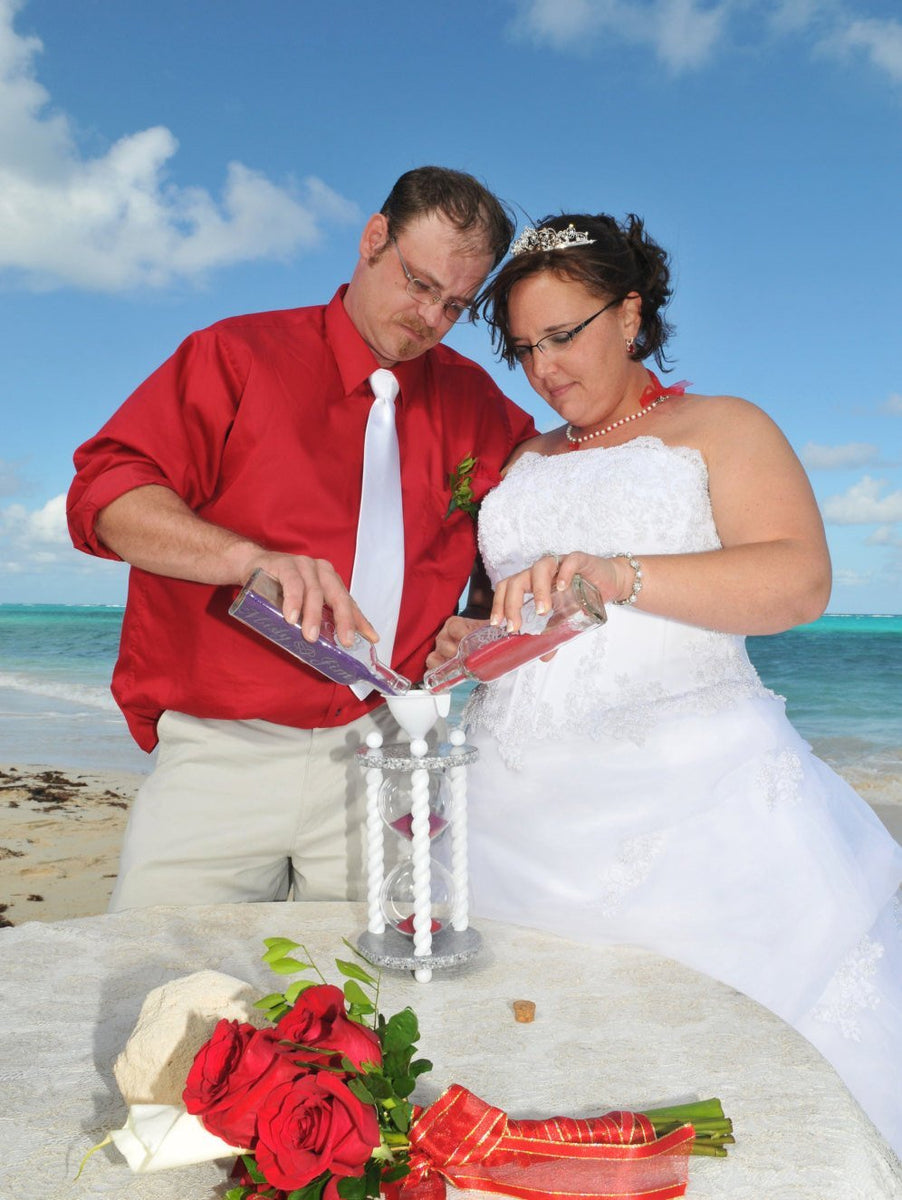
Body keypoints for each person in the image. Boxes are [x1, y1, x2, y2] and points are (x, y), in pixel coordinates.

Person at [429, 213, 902, 1154]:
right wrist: (472, 636)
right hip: (508, 804)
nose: (545, 369)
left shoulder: (720, 427)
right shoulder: (523, 462)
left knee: (722, 1072)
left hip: (693, 803)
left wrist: (621, 573)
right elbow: (532, 615)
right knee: (524, 1062)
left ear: (631, 313)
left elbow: (799, 582)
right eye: (525, 348)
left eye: (563, 335)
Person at [67, 166, 535, 912]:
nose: (430, 319)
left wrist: (477, 612)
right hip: (222, 754)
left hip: (385, 751)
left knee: (382, 1011)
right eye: (419, 284)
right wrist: (245, 558)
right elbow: (108, 496)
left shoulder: (473, 397)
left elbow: (538, 501)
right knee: (163, 992)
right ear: (374, 238)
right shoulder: (236, 355)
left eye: (456, 305)